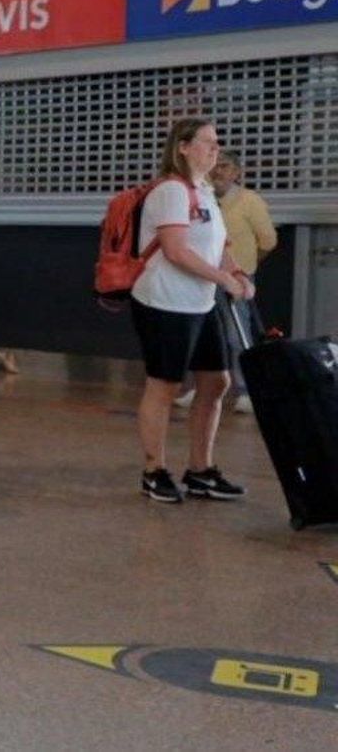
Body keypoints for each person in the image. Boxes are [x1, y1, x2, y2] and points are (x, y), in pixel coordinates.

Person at [127, 119, 248, 504]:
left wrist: (236, 273)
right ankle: (153, 471)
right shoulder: (171, 190)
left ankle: (200, 470)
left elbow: (218, 243)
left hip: (201, 302)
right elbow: (176, 251)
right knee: (164, 385)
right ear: (182, 146)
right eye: (207, 141)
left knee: (216, 381)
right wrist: (222, 279)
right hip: (165, 301)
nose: (215, 148)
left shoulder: (205, 190)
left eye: (217, 142)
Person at [176, 151, 275, 415]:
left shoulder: (249, 200)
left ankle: (246, 391)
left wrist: (245, 266)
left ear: (236, 173)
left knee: (235, 334)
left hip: (236, 277)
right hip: (202, 276)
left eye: (226, 166)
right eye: (215, 166)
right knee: (203, 334)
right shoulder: (202, 198)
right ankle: (198, 388)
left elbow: (268, 241)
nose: (218, 171)